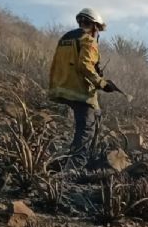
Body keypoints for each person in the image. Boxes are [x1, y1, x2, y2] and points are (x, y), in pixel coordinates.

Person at [48, 8, 119, 159]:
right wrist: (102, 83)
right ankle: (75, 166)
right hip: (80, 91)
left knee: (95, 117)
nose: (98, 33)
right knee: (87, 129)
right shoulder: (88, 40)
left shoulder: (65, 38)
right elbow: (84, 65)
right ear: (94, 26)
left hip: (62, 87)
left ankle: (76, 158)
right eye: (98, 29)